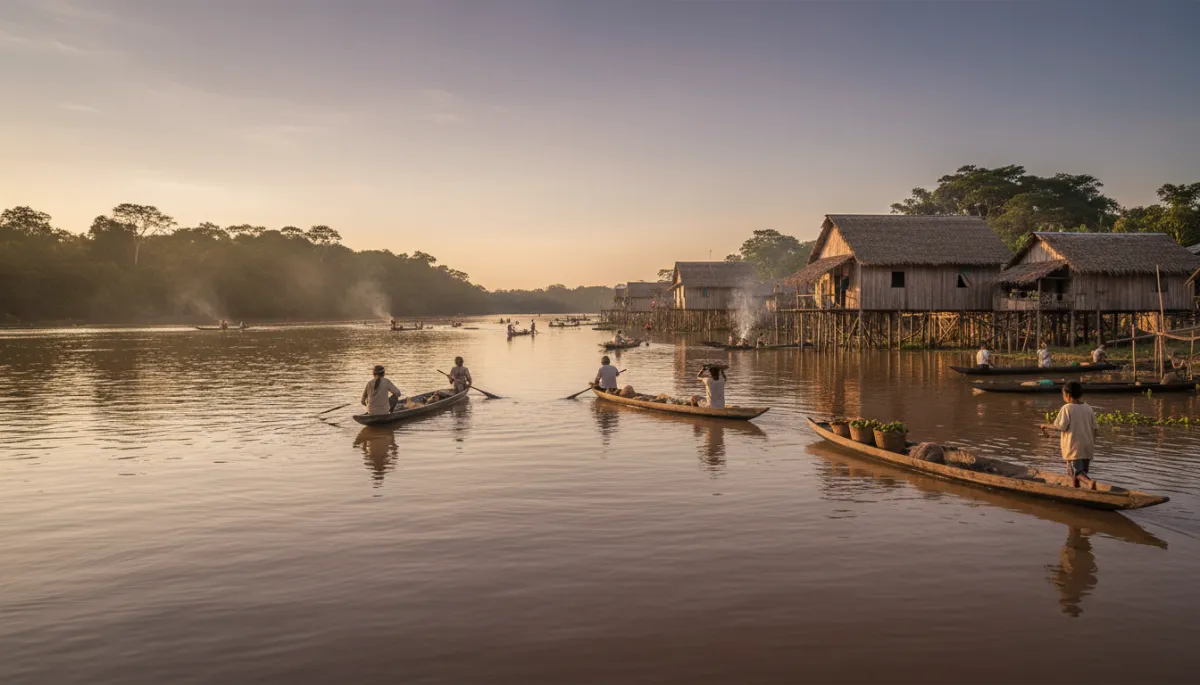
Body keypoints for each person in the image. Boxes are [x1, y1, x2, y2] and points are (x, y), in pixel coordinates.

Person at [1039, 381, 1097, 489]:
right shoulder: (1088, 408)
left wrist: (1044, 426)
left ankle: (1089, 482)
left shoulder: (1067, 408)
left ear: (1068, 395)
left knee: (1076, 472)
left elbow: (1060, 426)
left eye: (1063, 395)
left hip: (1074, 447)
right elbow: (1095, 428)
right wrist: (1092, 442)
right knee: (1079, 472)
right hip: (1087, 446)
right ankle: (1076, 490)